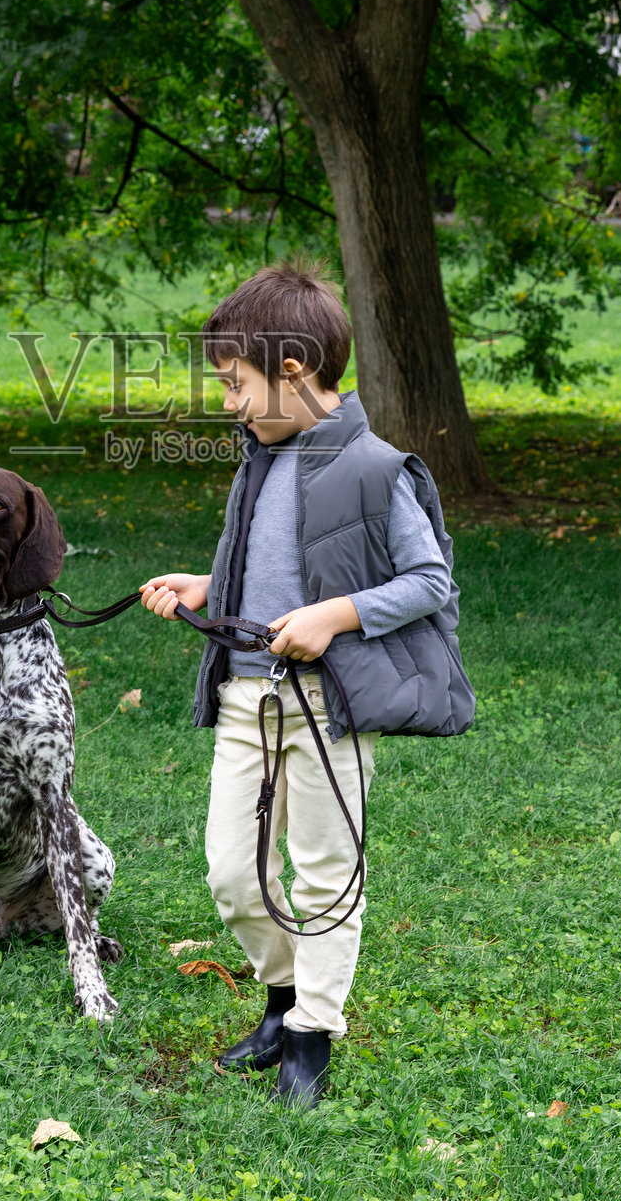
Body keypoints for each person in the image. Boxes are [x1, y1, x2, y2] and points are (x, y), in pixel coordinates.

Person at [140, 258, 474, 1108]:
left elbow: (428, 582)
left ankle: (310, 1035)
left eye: (235, 384)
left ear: (291, 371)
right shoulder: (258, 456)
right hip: (245, 699)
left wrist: (336, 615)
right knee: (233, 874)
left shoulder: (376, 469)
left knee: (324, 873)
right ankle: (282, 995)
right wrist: (208, 586)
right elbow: (269, 565)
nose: (228, 403)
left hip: (328, 708)